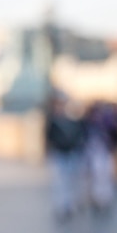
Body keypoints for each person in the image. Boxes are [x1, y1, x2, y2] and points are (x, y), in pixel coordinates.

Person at [44, 91, 87, 222]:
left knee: (71, 181)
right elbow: (48, 137)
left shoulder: (73, 119)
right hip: (59, 153)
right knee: (60, 181)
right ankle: (61, 206)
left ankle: (69, 205)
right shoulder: (53, 120)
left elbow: (79, 135)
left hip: (71, 153)